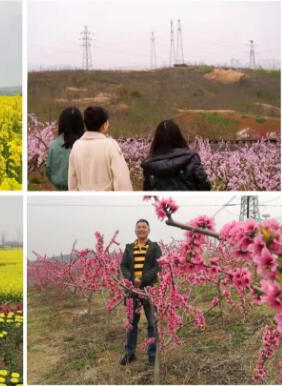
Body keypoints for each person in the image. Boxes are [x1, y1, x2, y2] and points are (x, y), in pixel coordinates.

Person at [120, 219, 162, 366]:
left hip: (150, 290)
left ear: (148, 230)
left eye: (144, 227)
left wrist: (143, 279)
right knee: (131, 324)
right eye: (139, 227)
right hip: (132, 290)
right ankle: (129, 353)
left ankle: (152, 354)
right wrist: (132, 279)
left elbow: (158, 267)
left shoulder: (154, 247)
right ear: (135, 230)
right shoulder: (129, 248)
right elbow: (123, 265)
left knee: (152, 323)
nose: (141, 229)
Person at [68, 106, 132, 191]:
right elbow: (122, 182)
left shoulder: (76, 146)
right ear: (104, 125)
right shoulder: (110, 145)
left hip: (83, 201)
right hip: (107, 201)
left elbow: (72, 182)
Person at [141, 120, 211, 191]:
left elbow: (147, 192)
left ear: (157, 140)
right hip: (189, 201)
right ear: (178, 136)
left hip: (164, 202)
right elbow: (204, 186)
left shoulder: (150, 165)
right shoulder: (191, 158)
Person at [46, 107, 84, 190]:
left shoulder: (53, 145)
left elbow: (48, 170)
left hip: (60, 191)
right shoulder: (85, 145)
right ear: (81, 123)